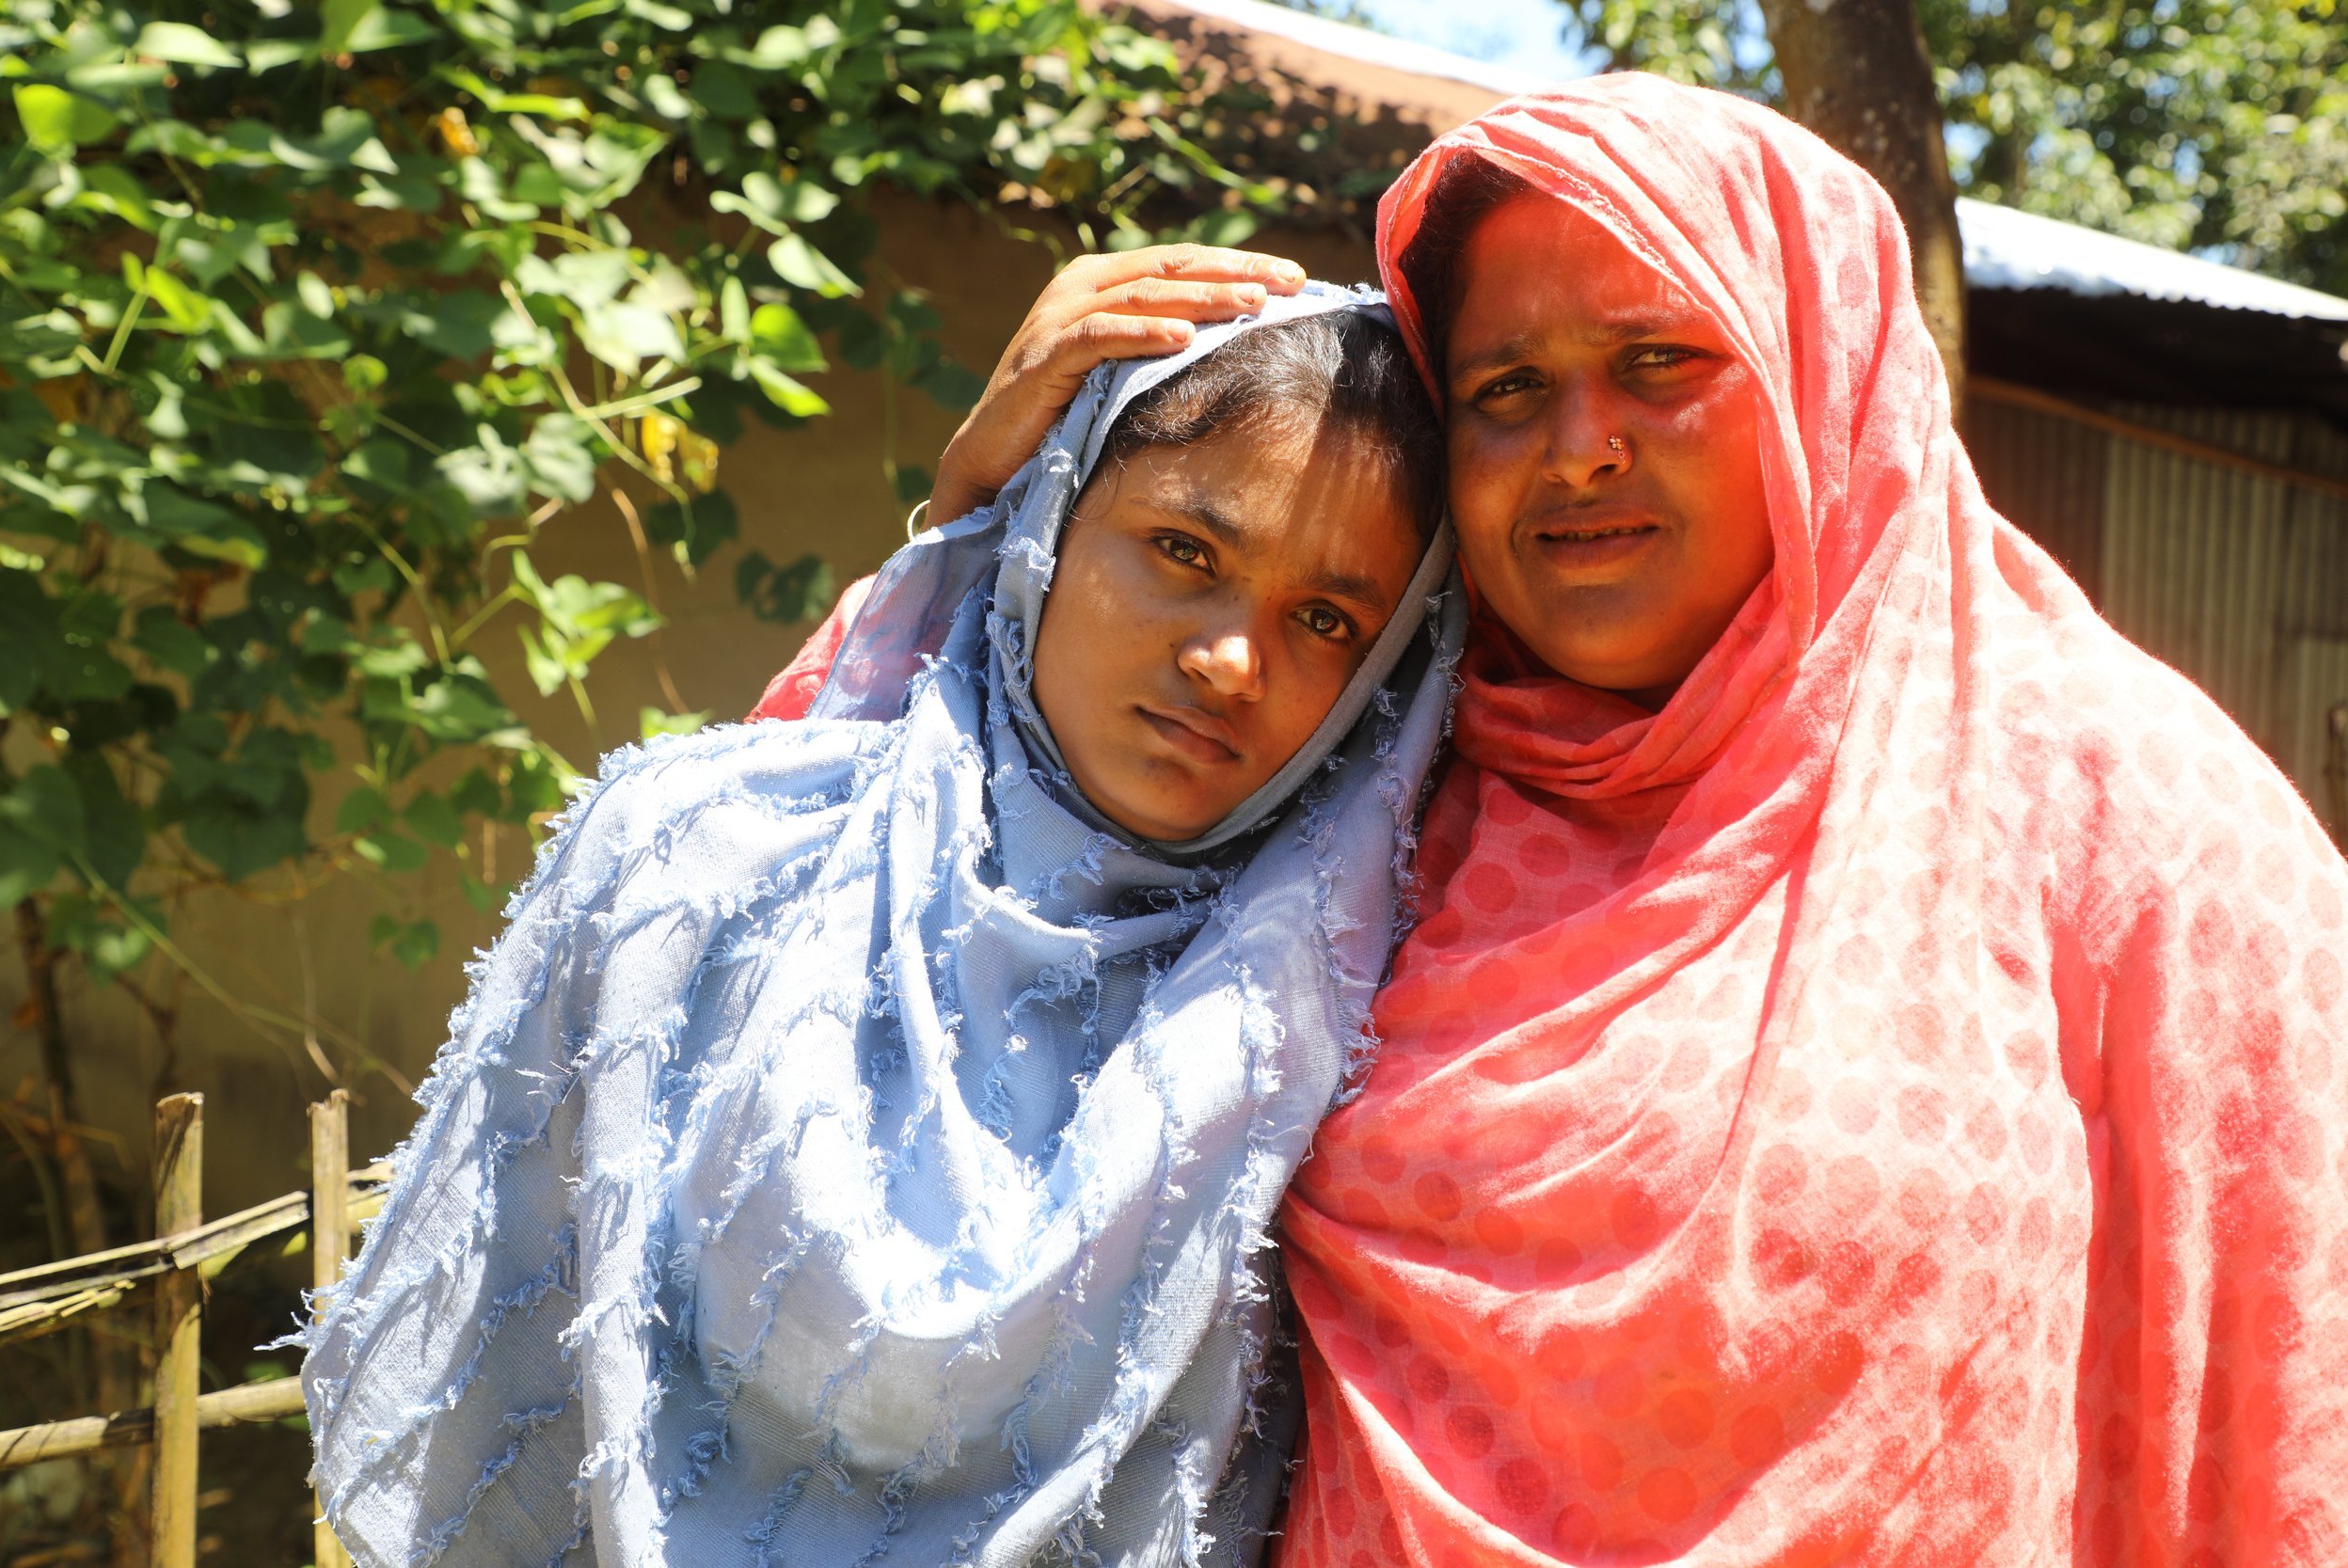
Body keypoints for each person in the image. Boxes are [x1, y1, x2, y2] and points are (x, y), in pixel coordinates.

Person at [800, 74, 2348, 1567]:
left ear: (1826, 369)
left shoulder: (2139, 830)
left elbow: (2291, 1420)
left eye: (1663, 361)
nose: (1580, 445)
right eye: (1507, 389)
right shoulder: (1364, 777)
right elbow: (830, 934)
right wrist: (978, 523)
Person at [298, 290, 1466, 1568]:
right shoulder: (695, 863)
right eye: (1187, 549)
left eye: (1328, 623)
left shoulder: (1358, 1039)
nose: (1234, 661)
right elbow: (493, 1395)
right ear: (1049, 524)